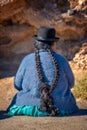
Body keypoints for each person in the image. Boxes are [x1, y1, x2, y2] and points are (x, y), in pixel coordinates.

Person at [7, 26, 78, 117]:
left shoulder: (27, 59)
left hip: (28, 107)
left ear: (36, 43)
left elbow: (17, 85)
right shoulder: (62, 59)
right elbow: (71, 84)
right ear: (53, 44)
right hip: (61, 108)